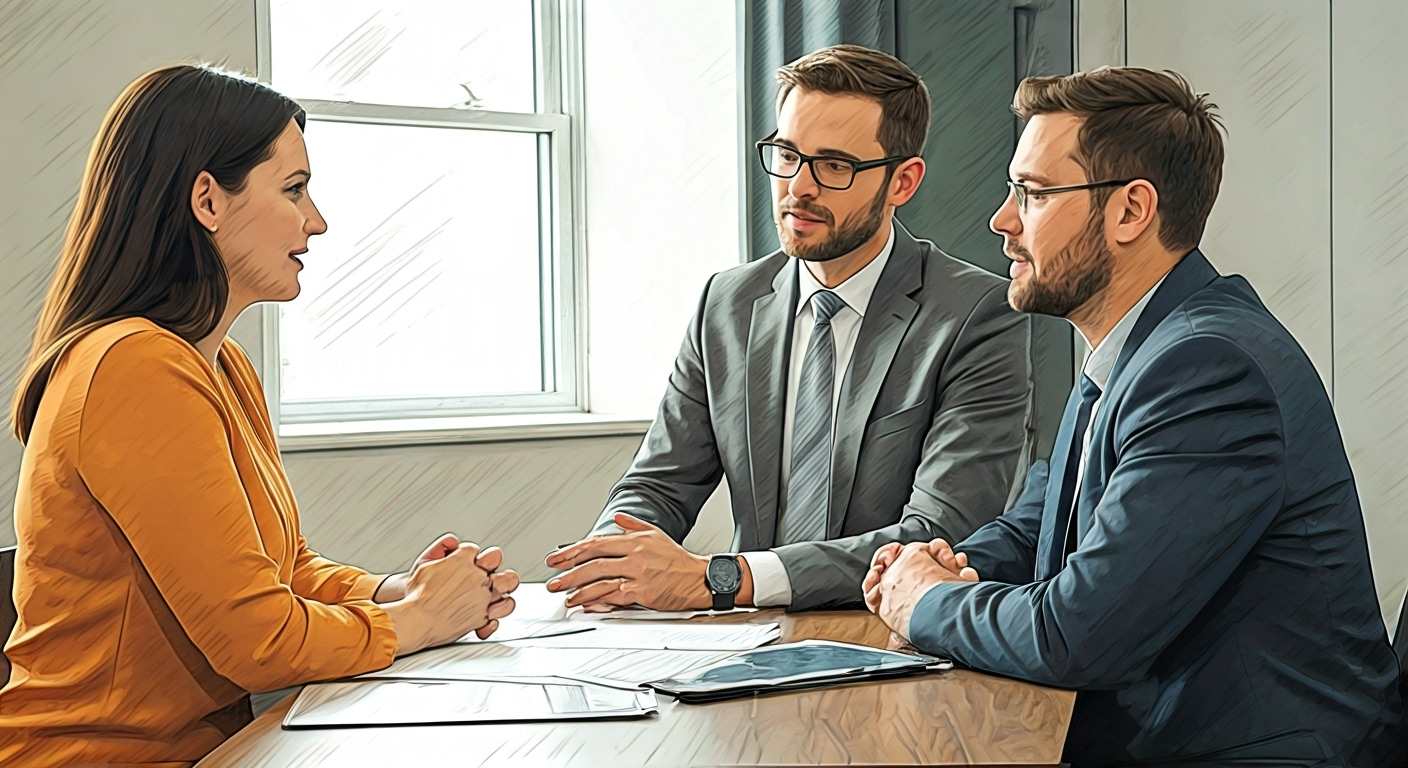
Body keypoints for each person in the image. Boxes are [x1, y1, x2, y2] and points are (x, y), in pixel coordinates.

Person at [863, 66, 1405, 766]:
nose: (1002, 220)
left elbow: (1078, 636)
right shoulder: (1137, 351)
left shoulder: (1208, 369)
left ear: (1130, 211)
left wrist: (926, 603)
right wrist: (935, 564)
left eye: (1032, 193)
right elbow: (1038, 531)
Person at [0, 64, 519, 767]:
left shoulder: (220, 365)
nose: (316, 220)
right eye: (294, 189)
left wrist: (396, 591)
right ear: (208, 201)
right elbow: (257, 641)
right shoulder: (133, 366)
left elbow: (283, 571)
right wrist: (416, 620)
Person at [547, 44, 1033, 613]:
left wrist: (721, 578)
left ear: (902, 182)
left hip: (888, 634)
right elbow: (659, 485)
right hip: (746, 636)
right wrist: (611, 561)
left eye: (834, 166)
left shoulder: (977, 314)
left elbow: (937, 534)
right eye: (786, 154)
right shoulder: (727, 302)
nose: (798, 187)